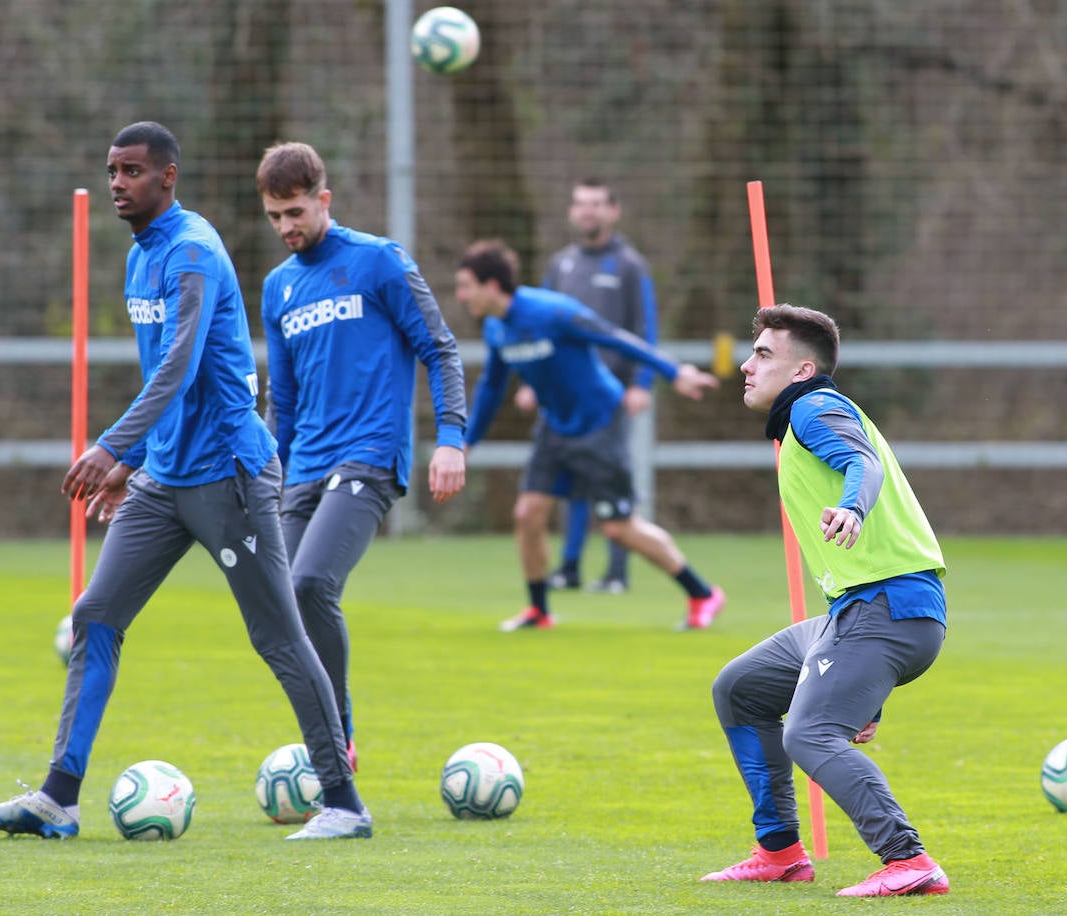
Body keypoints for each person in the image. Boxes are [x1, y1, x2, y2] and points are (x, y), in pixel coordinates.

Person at [0, 121, 371, 841]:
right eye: (112, 170)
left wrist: (111, 446)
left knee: (278, 635)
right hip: (163, 477)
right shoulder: (139, 257)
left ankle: (343, 802)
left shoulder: (191, 251)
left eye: (132, 171)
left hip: (231, 476)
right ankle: (58, 797)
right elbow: (170, 388)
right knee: (96, 616)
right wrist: (133, 463)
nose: (119, 182)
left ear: (168, 178)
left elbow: (179, 365)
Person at [701, 304, 949, 896]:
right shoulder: (800, 418)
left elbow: (859, 461)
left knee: (809, 733)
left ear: (802, 370)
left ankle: (908, 860)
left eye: (763, 354)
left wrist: (853, 507)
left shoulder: (815, 407)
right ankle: (781, 851)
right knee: (742, 688)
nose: (746, 364)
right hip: (859, 611)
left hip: (890, 606)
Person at [256, 141, 467, 770]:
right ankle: (327, 744)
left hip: (370, 454)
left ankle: (337, 737)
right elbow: (283, 399)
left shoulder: (378, 262)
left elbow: (441, 349)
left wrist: (451, 437)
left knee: (311, 582)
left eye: (295, 211)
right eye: (274, 216)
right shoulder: (277, 288)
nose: (286, 227)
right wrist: (265, 472)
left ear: (323, 199)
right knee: (281, 609)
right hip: (305, 467)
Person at [454, 238, 726, 632]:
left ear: (492, 285)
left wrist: (673, 372)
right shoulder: (497, 328)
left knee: (619, 527)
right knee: (527, 514)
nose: (461, 296)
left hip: (600, 422)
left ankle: (702, 593)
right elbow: (492, 388)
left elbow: (616, 337)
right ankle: (539, 610)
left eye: (466, 285)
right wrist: (468, 441)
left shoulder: (554, 311)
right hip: (554, 425)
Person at [528, 179, 659, 595]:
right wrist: (535, 381)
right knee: (571, 484)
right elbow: (539, 326)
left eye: (596, 204)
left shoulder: (629, 265)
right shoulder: (561, 265)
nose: (588, 212)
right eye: (581, 204)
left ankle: (617, 572)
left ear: (613, 211)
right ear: (571, 211)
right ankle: (569, 567)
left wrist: (643, 382)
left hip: (612, 396)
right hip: (566, 397)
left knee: (611, 479)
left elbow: (645, 328)